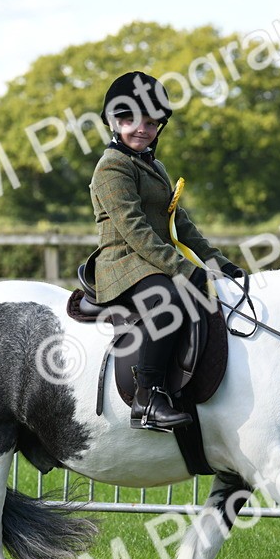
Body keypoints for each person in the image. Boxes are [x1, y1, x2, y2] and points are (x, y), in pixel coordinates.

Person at [85, 71, 244, 432]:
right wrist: (186, 271)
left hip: (151, 260)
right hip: (123, 262)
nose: (141, 129)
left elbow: (180, 223)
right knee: (168, 297)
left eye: (151, 122)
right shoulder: (111, 167)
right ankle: (148, 397)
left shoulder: (154, 165)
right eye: (130, 120)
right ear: (113, 122)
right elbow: (136, 231)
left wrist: (218, 262)